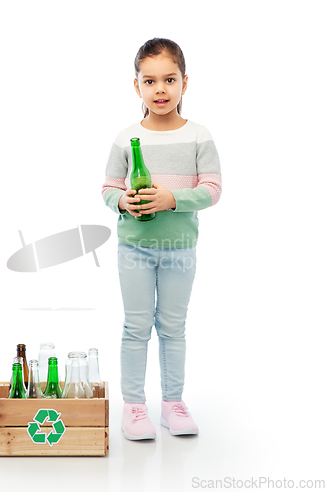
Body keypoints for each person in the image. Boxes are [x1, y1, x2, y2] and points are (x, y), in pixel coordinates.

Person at [102, 38, 222, 440]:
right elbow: (107, 189)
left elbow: (212, 190)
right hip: (133, 248)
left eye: (169, 80)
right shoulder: (125, 139)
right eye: (149, 81)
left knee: (173, 327)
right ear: (136, 86)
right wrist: (124, 203)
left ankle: (172, 403)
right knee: (136, 327)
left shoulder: (199, 136)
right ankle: (134, 407)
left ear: (184, 83)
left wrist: (172, 199)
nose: (160, 90)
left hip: (180, 249)